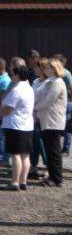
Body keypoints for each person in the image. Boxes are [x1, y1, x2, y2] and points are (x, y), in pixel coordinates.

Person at [0, 66, 35, 191]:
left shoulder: (16, 90)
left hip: (14, 125)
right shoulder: (29, 88)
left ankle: (15, 182)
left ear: (17, 76)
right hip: (27, 124)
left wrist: (1, 113)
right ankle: (23, 181)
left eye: (13, 75)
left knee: (15, 155)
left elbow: (7, 108)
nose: (11, 77)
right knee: (25, 155)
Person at [35, 58, 67, 187]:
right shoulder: (50, 82)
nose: (45, 69)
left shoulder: (57, 83)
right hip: (47, 121)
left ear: (54, 69)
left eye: (47, 67)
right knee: (50, 150)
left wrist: (34, 108)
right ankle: (53, 176)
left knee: (54, 151)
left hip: (53, 122)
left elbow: (47, 101)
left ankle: (56, 178)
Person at [28, 58, 49, 178]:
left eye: (36, 67)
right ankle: (33, 166)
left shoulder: (49, 82)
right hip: (34, 115)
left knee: (43, 143)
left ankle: (48, 167)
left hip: (44, 115)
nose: (34, 69)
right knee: (34, 142)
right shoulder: (35, 81)